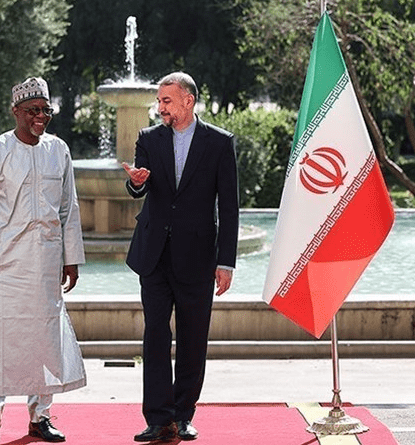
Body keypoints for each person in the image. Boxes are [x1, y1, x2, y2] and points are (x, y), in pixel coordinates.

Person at [0, 77, 86, 444]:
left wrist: (71, 258)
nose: (40, 117)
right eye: (32, 111)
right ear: (16, 112)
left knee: (44, 339)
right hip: (0, 264)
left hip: (44, 265)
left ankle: (40, 415)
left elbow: (68, 209)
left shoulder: (58, 150)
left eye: (46, 110)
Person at [122, 72, 239, 442]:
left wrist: (226, 261)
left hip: (198, 256)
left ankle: (183, 414)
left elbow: (230, 207)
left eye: (167, 101)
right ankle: (158, 418)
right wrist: (136, 182)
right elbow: (137, 188)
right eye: (159, 102)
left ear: (188, 101)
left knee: (193, 338)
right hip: (153, 255)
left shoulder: (220, 143)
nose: (160, 108)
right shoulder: (148, 139)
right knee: (155, 334)